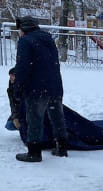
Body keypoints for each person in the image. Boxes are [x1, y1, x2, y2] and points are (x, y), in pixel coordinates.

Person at [14, 16, 68, 162]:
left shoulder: (25, 41)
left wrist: (17, 89)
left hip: (36, 88)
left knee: (34, 119)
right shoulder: (48, 38)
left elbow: (23, 67)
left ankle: (34, 153)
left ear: (23, 28)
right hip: (54, 85)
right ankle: (62, 147)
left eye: (19, 29)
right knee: (57, 117)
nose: (18, 32)